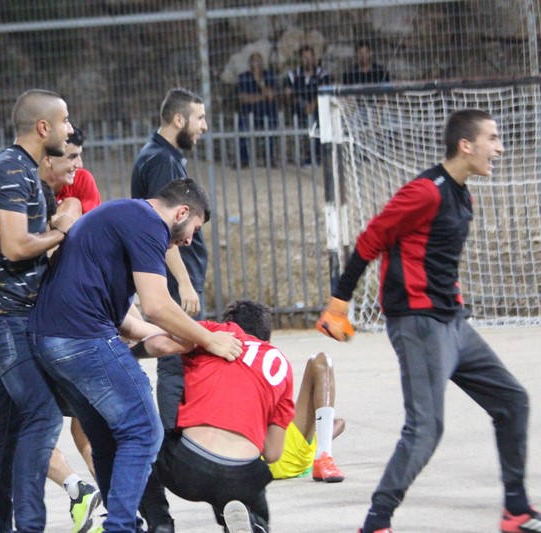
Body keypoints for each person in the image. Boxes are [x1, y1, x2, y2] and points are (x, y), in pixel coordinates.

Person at [316, 109, 539, 533]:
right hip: (419, 325)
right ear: (466, 145)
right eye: (493, 139)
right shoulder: (425, 192)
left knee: (512, 401)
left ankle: (516, 511)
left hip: (452, 323)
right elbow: (370, 239)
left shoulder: (462, 195)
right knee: (426, 429)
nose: (501, 147)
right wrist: (339, 304)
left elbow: (436, 260)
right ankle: (376, 521)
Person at [29, 178, 243, 533]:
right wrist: (210, 339)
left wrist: (166, 338)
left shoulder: (126, 216)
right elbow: (158, 305)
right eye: (194, 228)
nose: (189, 240)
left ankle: (125, 523)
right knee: (144, 429)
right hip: (80, 337)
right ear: (182, 212)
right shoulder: (149, 223)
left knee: (107, 438)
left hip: (50, 339)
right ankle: (122, 527)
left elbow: (132, 322)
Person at [0, 124, 103, 533]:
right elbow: (16, 247)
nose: (78, 163)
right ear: (45, 132)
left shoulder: (31, 177)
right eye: (71, 151)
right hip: (1, 318)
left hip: (7, 317)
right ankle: (33, 524)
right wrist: (62, 228)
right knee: (41, 415)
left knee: (5, 430)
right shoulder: (12, 170)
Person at [133, 299, 295, 533]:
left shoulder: (218, 333)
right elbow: (272, 453)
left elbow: (161, 344)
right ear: (268, 339)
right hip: (243, 475)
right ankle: (252, 520)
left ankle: (160, 522)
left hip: (188, 467)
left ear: (230, 323)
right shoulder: (281, 365)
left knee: (134, 443)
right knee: (248, 495)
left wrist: (131, 354)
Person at [131, 87, 209, 533]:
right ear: (178, 120)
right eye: (199, 118)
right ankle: (166, 454)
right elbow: (161, 224)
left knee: (175, 362)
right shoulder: (161, 159)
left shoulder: (161, 156)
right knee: (176, 362)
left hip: (174, 283)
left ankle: (166, 448)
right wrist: (181, 280)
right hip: (172, 286)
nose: (203, 126)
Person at [268, 352, 346, 483]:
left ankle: (323, 455)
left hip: (244, 460)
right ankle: (324, 456)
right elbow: (339, 423)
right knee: (321, 360)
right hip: (293, 455)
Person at [283, 45, 330, 166]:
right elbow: (287, 96)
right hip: (298, 110)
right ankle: (312, 157)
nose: (308, 60)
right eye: (305, 58)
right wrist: (301, 103)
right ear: (300, 59)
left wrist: (312, 104)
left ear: (314, 58)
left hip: (317, 110)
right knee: (303, 107)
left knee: (316, 118)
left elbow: (323, 93)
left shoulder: (322, 74)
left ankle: (314, 157)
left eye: (310, 57)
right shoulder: (293, 75)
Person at [236, 51, 278, 167]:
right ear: (250, 63)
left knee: (270, 125)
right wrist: (261, 97)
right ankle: (244, 161)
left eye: (258, 60)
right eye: (253, 61)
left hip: (266, 112)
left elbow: (270, 96)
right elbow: (243, 98)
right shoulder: (243, 77)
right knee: (242, 126)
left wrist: (259, 81)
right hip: (248, 112)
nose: (256, 63)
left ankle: (269, 159)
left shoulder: (269, 75)